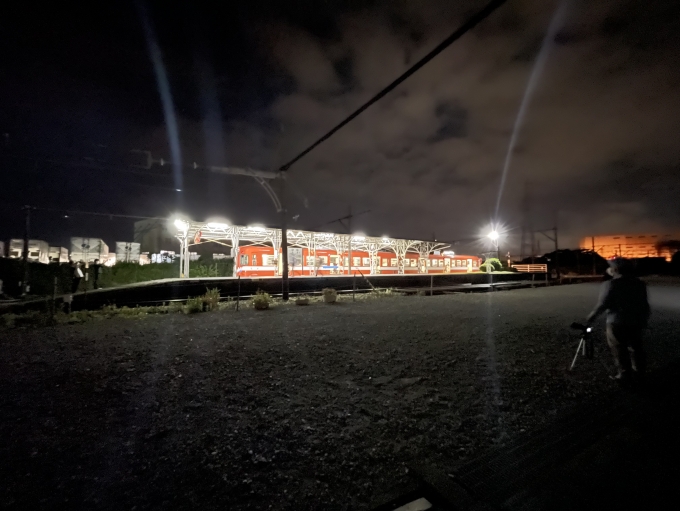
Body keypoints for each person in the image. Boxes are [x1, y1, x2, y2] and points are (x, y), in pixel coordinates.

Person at [586, 257, 650, 386]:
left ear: (615, 269)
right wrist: (644, 319)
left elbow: (603, 304)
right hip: (636, 320)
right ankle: (639, 373)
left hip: (617, 321)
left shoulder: (610, 284)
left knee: (619, 349)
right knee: (636, 347)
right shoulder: (639, 283)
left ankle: (624, 374)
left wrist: (591, 317)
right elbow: (644, 304)